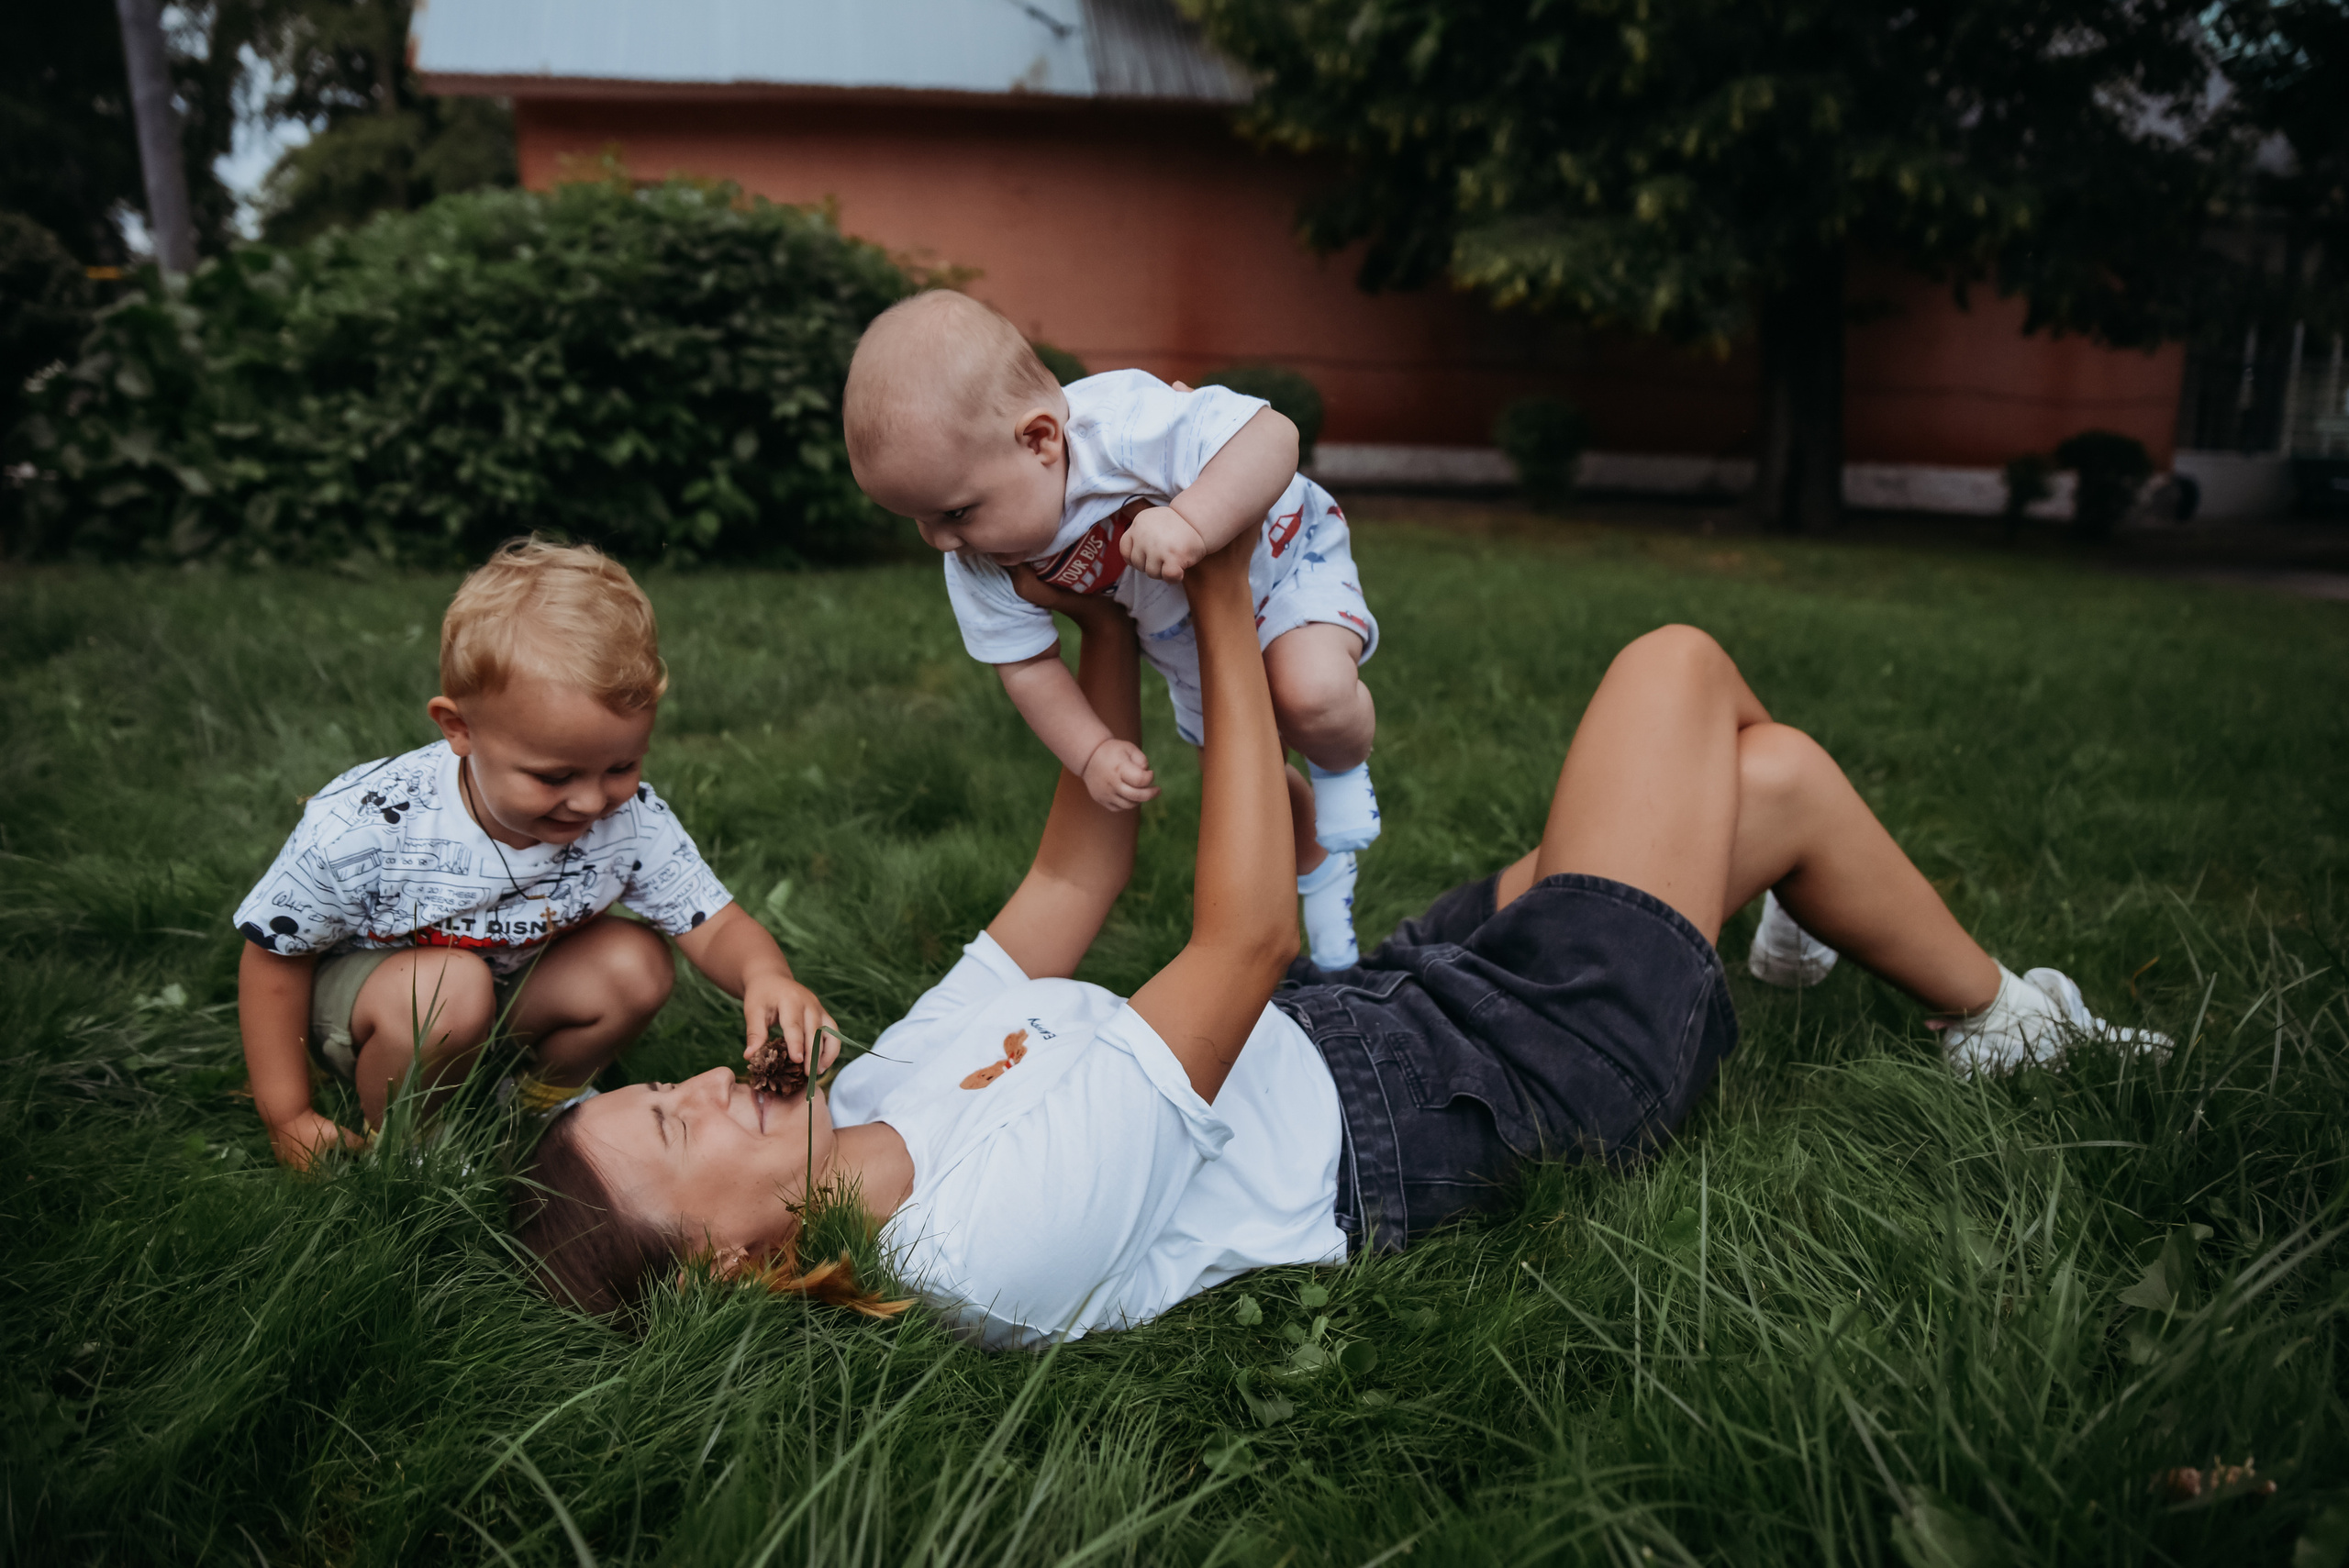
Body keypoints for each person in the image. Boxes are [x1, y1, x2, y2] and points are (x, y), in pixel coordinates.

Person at [511, 534, 2154, 1340]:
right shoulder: (975, 1245)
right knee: (1677, 666)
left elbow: (1075, 879)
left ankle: (1896, 972)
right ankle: (1983, 1013)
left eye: (660, 1088)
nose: (699, 1083)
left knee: (1766, 781)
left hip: (1371, 1016)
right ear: (732, 1262)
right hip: (1496, 1089)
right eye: (670, 1126)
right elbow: (1229, 943)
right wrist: (1220, 605)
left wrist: (1086, 621)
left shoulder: (875, 1089)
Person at [236, 539, 836, 1169]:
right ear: (459, 728)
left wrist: (764, 975)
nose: (588, 802)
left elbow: (713, 925)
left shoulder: (629, 819)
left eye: (621, 765)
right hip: (376, 1010)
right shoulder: (366, 824)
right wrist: (289, 1115)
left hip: (502, 997)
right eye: (554, 777)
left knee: (637, 960)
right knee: (451, 987)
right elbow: (274, 958)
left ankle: (532, 1106)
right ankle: (413, 1140)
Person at [843, 290, 1381, 967]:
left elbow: (1273, 436)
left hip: (1285, 560)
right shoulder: (980, 560)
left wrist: (1194, 520)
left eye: (954, 513)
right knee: (1246, 784)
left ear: (1039, 439)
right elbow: (1027, 667)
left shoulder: (1124, 426)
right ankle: (1320, 866)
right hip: (1184, 636)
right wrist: (1092, 751)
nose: (941, 542)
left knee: (1311, 696)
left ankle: (1342, 769)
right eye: (917, 521)